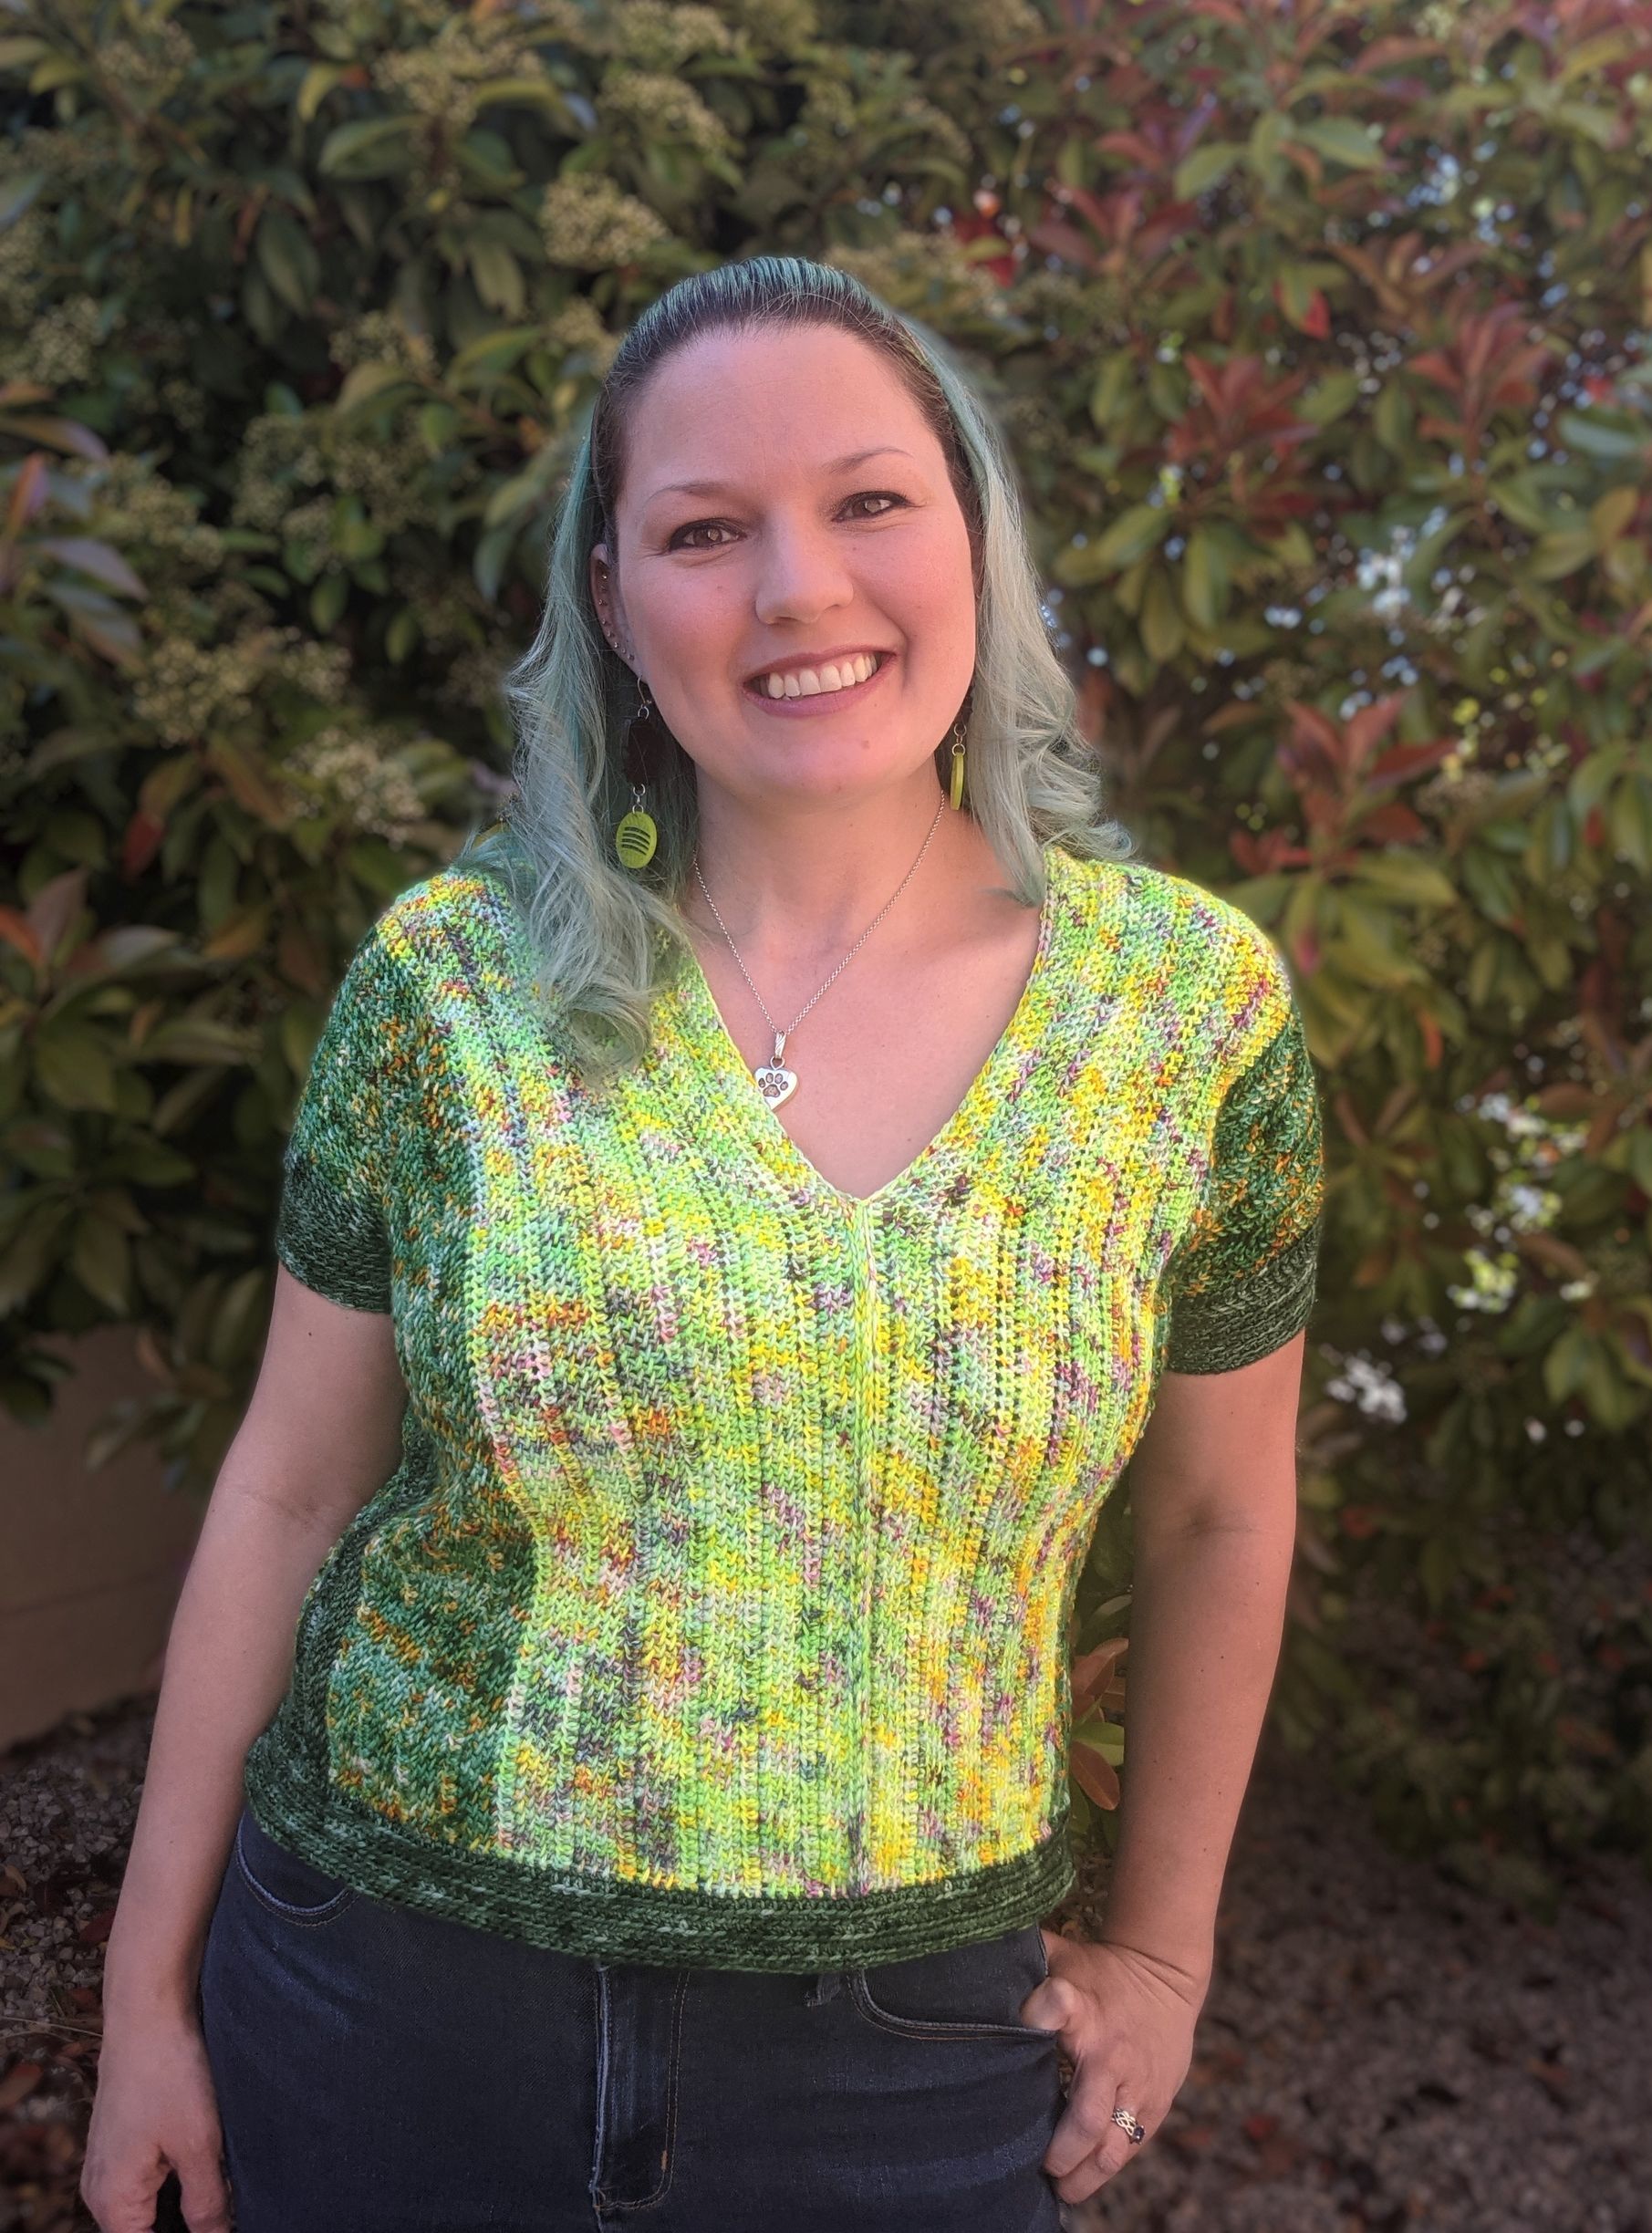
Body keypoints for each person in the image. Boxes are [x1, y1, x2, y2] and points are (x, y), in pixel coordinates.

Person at [82, 254, 1325, 2233]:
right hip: (387, 2005)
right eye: (705, 530)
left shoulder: (1184, 1019)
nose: (798, 591)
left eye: (869, 502)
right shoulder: (451, 988)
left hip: (902, 2061)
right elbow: (289, 1490)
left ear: (977, 540)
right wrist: (144, 1999)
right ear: (611, 599)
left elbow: (1214, 1523)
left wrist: (1165, 1954)